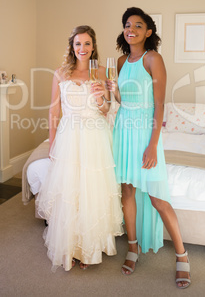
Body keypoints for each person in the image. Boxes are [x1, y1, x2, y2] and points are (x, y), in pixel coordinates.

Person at [106, 7, 191, 289]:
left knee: (157, 197)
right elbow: (120, 99)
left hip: (145, 132)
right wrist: (111, 90)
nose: (131, 29)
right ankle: (133, 247)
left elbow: (159, 105)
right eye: (127, 25)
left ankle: (182, 255)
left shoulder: (153, 58)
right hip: (123, 129)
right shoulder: (119, 61)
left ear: (148, 31)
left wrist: (153, 145)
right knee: (127, 190)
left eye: (138, 25)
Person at [36, 25, 123, 272]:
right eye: (77, 44)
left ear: (93, 46)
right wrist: (52, 144)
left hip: (95, 136)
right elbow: (54, 111)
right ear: (72, 47)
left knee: (91, 192)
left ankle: (89, 248)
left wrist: (101, 99)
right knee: (70, 192)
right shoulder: (60, 73)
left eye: (87, 43)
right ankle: (69, 247)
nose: (82, 48)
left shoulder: (102, 72)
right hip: (69, 136)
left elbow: (107, 110)